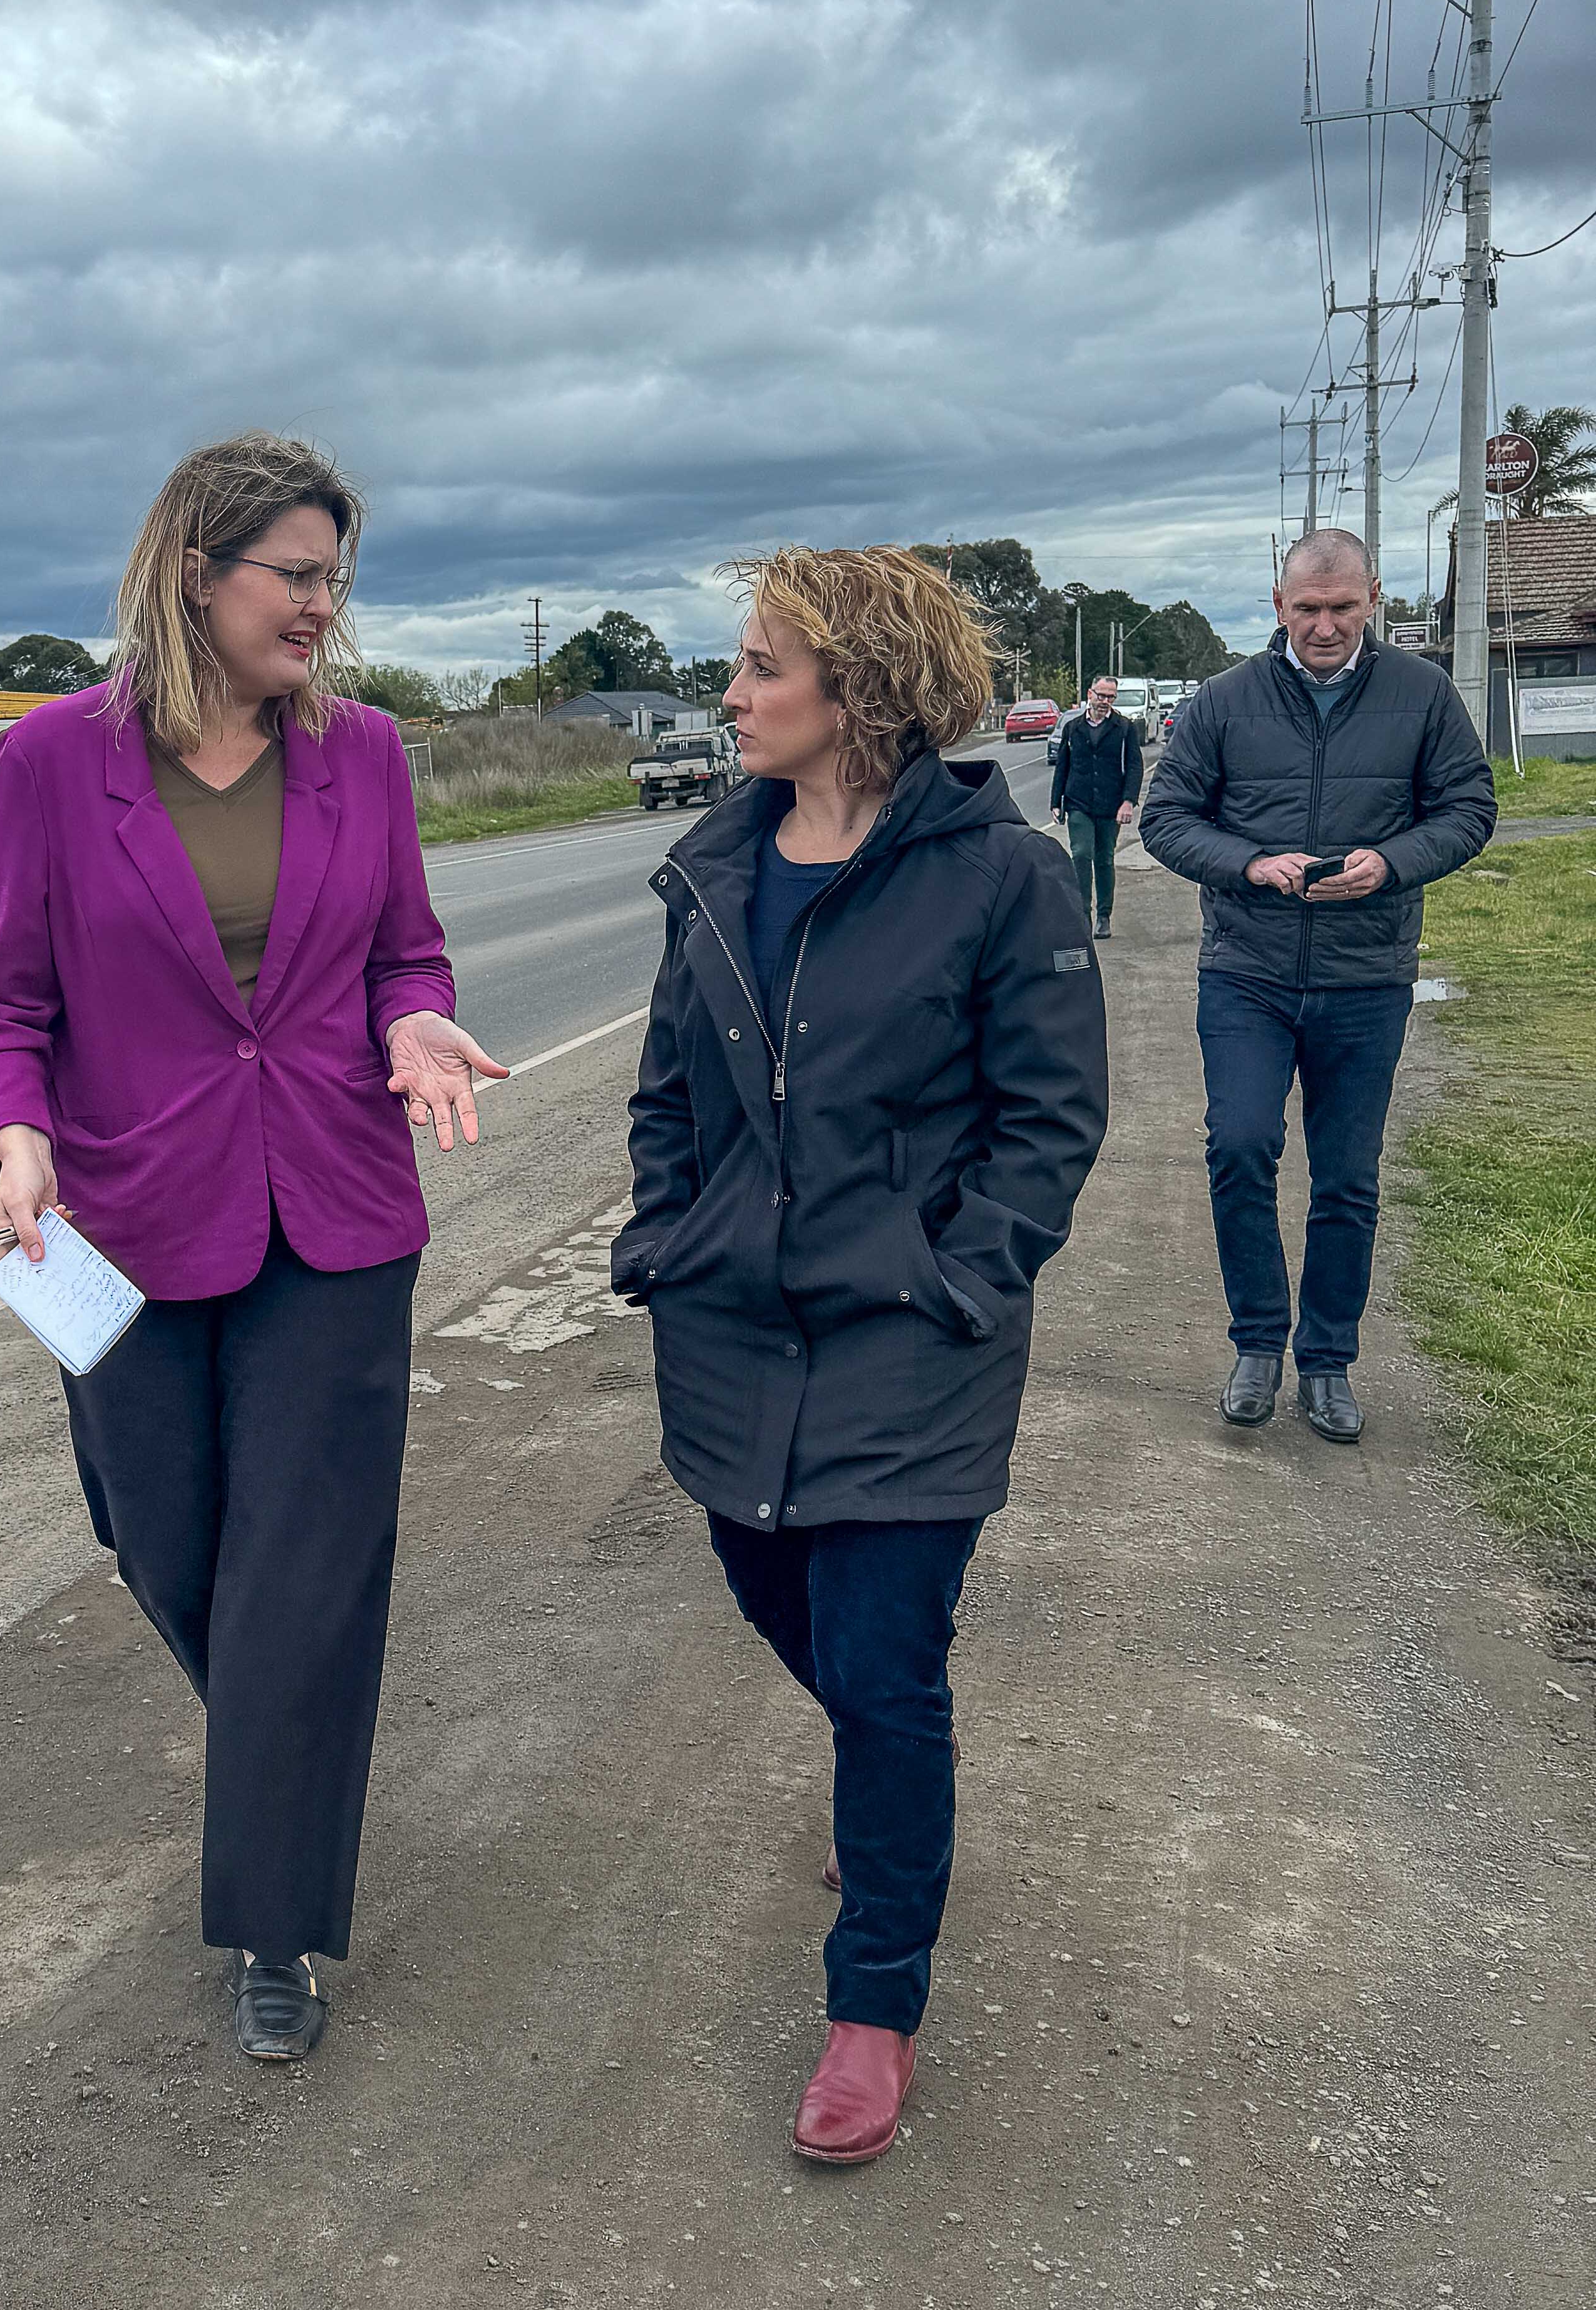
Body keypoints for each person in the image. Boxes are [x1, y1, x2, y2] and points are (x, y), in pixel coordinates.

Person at [0, 433, 505, 2063]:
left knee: (302, 1581)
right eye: (299, 577)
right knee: (167, 1547)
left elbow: (406, 945)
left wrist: (415, 1022)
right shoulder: (51, 764)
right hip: (107, 1225)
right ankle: (290, 1748)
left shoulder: (370, 756)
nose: (325, 609)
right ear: (200, 573)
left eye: (338, 579)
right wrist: (16, 1132)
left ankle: (276, 1924)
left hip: (332, 1214)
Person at [611, 547, 1108, 2167]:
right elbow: (666, 1092)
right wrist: (666, 1231)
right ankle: (895, 1795)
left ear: (862, 694)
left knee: (886, 1664)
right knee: (777, 1598)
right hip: (736, 1333)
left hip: (914, 1341)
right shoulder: (711, 871)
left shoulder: (1001, 879)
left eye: (760, 668)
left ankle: (874, 1997)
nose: (732, 695)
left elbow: (1049, 1123)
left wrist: (963, 1274)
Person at [1139, 529, 1496, 1441]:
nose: (1326, 626)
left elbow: (1468, 809)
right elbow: (1168, 819)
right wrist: (1251, 863)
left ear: (1371, 598)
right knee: (1240, 1146)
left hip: (1366, 978)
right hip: (1247, 976)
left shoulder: (1422, 696)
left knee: (1345, 1179)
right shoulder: (1221, 703)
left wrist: (1393, 861)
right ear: (1277, 605)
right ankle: (1257, 1342)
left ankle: (1328, 1361)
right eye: (1308, 609)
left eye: (1342, 608)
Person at [1049, 673, 1142, 937]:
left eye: (1110, 697)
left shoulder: (1124, 728)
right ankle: (1082, 915)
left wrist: (1128, 802)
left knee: (1104, 859)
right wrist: (1056, 802)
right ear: (1090, 694)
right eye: (1101, 696)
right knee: (1080, 854)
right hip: (1078, 802)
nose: (1105, 701)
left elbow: (1135, 766)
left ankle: (1104, 916)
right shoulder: (1073, 727)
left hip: (1110, 805)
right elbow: (1062, 766)